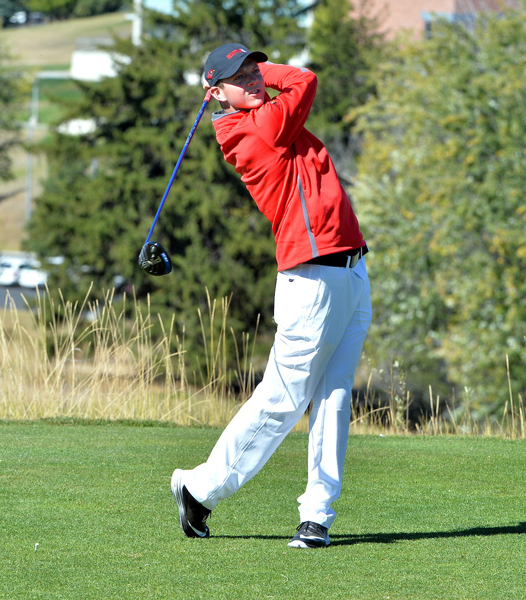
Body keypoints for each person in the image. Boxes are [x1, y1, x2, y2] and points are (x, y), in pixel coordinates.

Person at [170, 42, 372, 550]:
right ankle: (200, 489)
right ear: (217, 92)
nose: (256, 79)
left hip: (350, 268)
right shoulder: (255, 128)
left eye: (255, 68)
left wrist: (249, 77)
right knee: (283, 399)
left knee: (334, 399)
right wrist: (265, 78)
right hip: (311, 279)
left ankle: (316, 516)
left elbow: (290, 86)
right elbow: (304, 79)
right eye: (241, 76)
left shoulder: (267, 116)